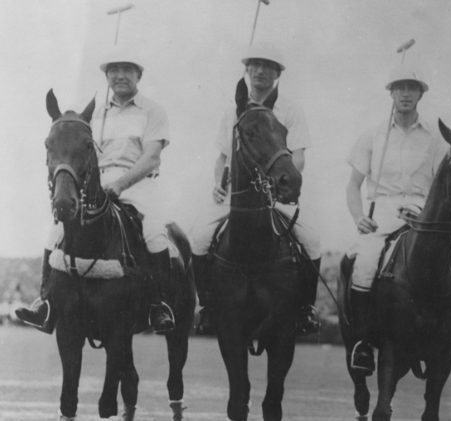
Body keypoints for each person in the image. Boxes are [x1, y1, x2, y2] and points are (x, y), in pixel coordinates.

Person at [345, 65, 451, 375]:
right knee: (363, 263)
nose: (405, 93)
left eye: (411, 88)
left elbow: (449, 180)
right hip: (384, 213)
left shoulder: (436, 138)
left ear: (420, 94)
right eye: (399, 87)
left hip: (424, 213)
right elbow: (353, 185)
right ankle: (362, 344)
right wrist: (360, 216)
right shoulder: (373, 135)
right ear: (390, 92)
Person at [16, 47, 175, 333]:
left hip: (139, 184)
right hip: (95, 185)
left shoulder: (153, 110)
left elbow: (151, 157)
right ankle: (45, 303)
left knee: (154, 233)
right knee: (56, 232)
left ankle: (158, 305)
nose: (120, 76)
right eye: (113, 70)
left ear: (139, 74)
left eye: (128, 69)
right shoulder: (93, 114)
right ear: (106, 75)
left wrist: (121, 183)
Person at [190, 43, 321, 335]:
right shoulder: (232, 111)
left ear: (277, 74)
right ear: (247, 70)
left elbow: (297, 156)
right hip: (237, 196)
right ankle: (208, 306)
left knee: (311, 239)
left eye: (268, 66)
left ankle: (305, 309)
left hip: (278, 193)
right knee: (199, 236)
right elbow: (222, 157)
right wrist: (217, 183)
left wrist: (282, 183)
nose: (261, 70)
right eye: (255, 65)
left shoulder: (290, 110)